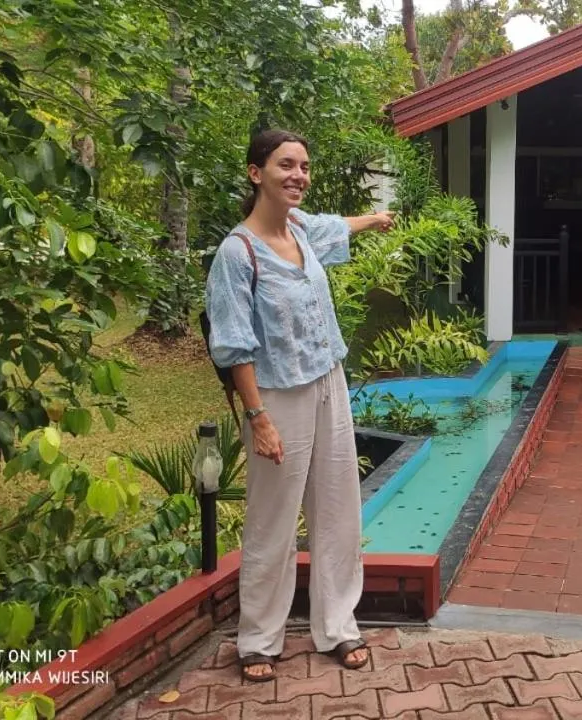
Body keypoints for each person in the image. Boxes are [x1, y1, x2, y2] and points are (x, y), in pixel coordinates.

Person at [204, 128, 396, 682]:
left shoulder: (301, 229)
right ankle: (259, 639)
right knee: (273, 519)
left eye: (305, 166)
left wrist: (374, 220)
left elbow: (338, 226)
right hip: (275, 395)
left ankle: (337, 626)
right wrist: (257, 418)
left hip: (327, 382)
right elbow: (234, 344)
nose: (299, 175)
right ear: (255, 172)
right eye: (286, 164)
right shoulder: (236, 254)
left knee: (338, 509)